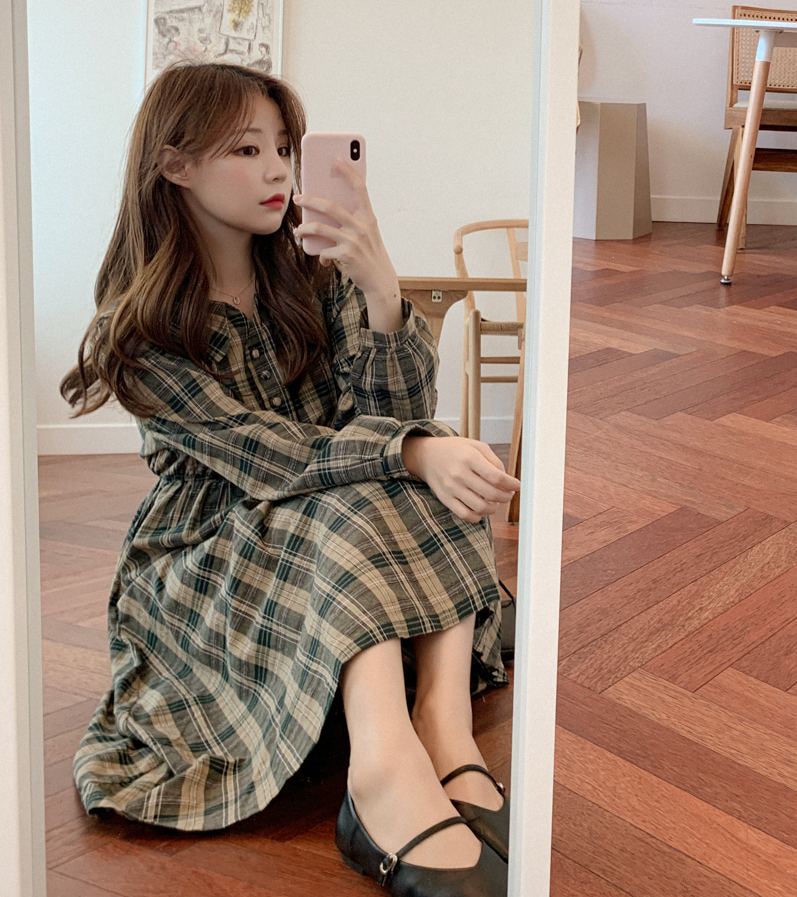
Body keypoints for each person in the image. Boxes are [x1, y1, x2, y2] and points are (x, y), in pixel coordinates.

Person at [61, 61, 519, 897]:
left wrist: (381, 288)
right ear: (174, 165)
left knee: (432, 453)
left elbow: (391, 414)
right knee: (383, 474)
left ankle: (443, 727)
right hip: (208, 554)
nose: (278, 170)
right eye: (246, 150)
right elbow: (274, 458)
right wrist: (409, 451)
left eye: (284, 148)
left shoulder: (314, 278)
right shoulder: (140, 329)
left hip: (335, 516)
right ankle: (381, 772)